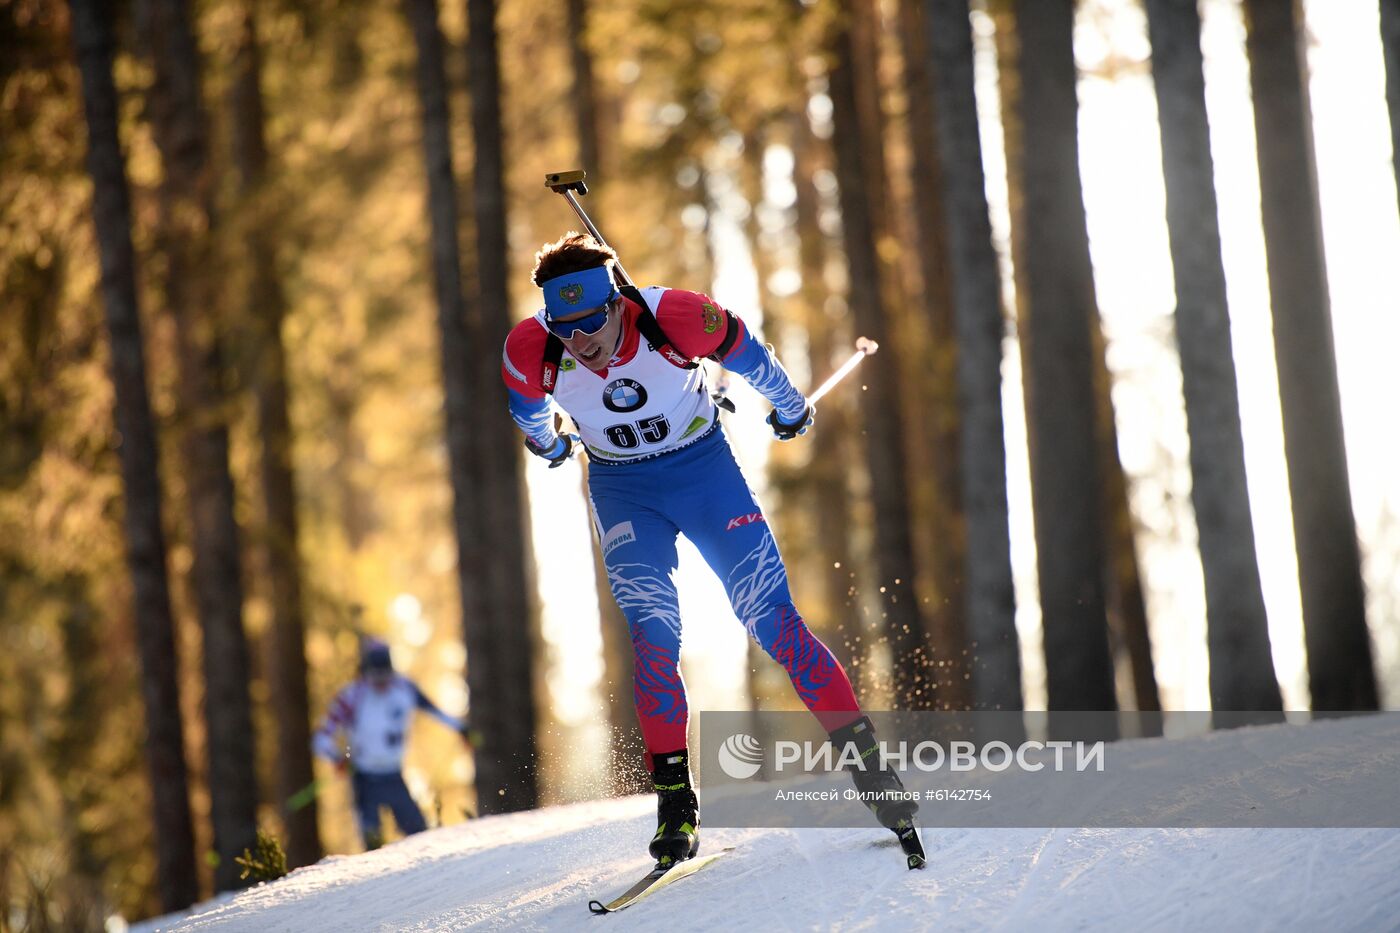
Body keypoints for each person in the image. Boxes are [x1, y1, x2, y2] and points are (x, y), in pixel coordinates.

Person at [500, 232, 914, 868]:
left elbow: (752, 358)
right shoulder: (531, 350)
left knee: (776, 625)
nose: (583, 343)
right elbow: (529, 417)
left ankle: (872, 771)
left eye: (593, 322)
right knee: (654, 637)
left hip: (705, 476)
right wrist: (551, 446)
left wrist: (789, 407)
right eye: (567, 327)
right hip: (622, 490)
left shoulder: (678, 316)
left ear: (618, 302)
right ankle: (675, 803)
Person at [313, 639, 472, 849]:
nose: (381, 682)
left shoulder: (404, 689)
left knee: (420, 836)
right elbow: (321, 738)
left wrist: (461, 730)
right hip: (365, 779)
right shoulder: (352, 696)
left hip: (395, 776)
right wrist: (336, 758)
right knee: (372, 843)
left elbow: (435, 711)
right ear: (366, 672)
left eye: (385, 674)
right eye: (375, 676)